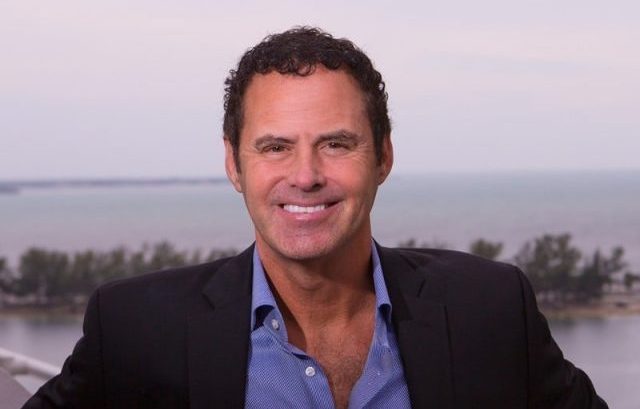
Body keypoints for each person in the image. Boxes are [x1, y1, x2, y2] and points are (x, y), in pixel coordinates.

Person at [23, 27, 608, 409]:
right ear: (234, 164)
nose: (305, 176)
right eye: (275, 147)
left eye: (336, 144)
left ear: (383, 157)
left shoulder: (491, 308)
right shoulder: (135, 328)